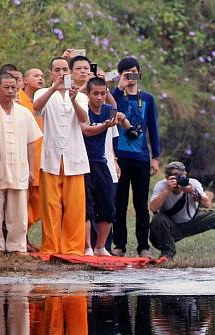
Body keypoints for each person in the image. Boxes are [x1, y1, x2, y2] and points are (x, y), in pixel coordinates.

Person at [32, 57, 89, 255]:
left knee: (74, 206)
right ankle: (50, 246)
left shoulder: (80, 96)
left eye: (65, 69)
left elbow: (84, 119)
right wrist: (54, 88)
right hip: (51, 156)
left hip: (74, 157)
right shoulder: (43, 92)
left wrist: (73, 99)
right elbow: (37, 107)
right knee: (50, 205)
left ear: (71, 72)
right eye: (57, 69)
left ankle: (73, 248)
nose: (62, 73)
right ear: (51, 73)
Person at [0, 72, 43, 254]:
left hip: (19, 167)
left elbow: (32, 142)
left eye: (13, 88)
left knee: (19, 213)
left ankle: (17, 247)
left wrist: (32, 169)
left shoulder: (24, 113)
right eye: (6, 87)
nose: (10, 91)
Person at [112, 57, 161, 258]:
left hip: (141, 157)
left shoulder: (148, 99)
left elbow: (154, 128)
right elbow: (110, 108)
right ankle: (120, 245)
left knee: (141, 205)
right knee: (119, 203)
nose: (130, 77)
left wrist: (156, 156)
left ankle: (144, 246)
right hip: (120, 156)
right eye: (126, 73)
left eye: (133, 72)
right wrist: (119, 87)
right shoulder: (116, 96)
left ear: (139, 73)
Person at [149, 161, 215, 263]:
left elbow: (207, 204)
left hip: (192, 221)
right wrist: (167, 190)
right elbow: (153, 208)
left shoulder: (193, 183)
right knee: (158, 218)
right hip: (170, 227)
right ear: (167, 177)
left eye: (180, 176)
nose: (178, 179)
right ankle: (167, 254)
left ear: (185, 174)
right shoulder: (161, 186)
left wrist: (192, 192)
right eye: (174, 176)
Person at [80, 77, 127, 256]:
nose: (99, 97)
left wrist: (121, 119)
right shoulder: (82, 109)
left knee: (108, 206)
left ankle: (100, 246)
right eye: (95, 94)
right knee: (87, 206)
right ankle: (87, 247)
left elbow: (123, 121)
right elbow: (86, 130)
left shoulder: (108, 109)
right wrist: (104, 126)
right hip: (83, 162)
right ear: (88, 94)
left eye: (102, 93)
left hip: (101, 161)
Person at [18, 68, 45, 251]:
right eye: (36, 76)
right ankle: (21, 239)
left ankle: (24, 235)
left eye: (43, 76)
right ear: (25, 80)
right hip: (24, 157)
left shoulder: (44, 98)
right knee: (22, 201)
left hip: (42, 157)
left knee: (39, 202)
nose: (40, 78)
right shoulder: (18, 99)